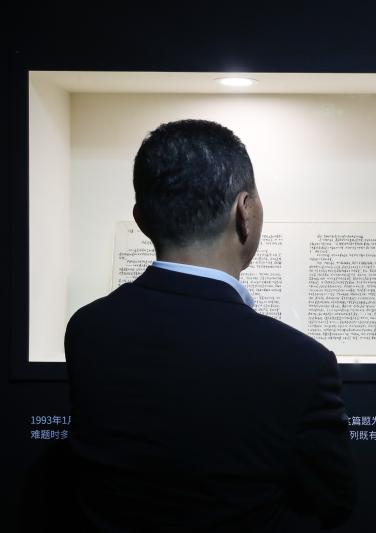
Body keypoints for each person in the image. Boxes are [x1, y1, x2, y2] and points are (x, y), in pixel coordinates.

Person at [64, 119, 356, 532]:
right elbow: (334, 502)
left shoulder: (88, 330)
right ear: (245, 212)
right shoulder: (301, 362)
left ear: (141, 219)